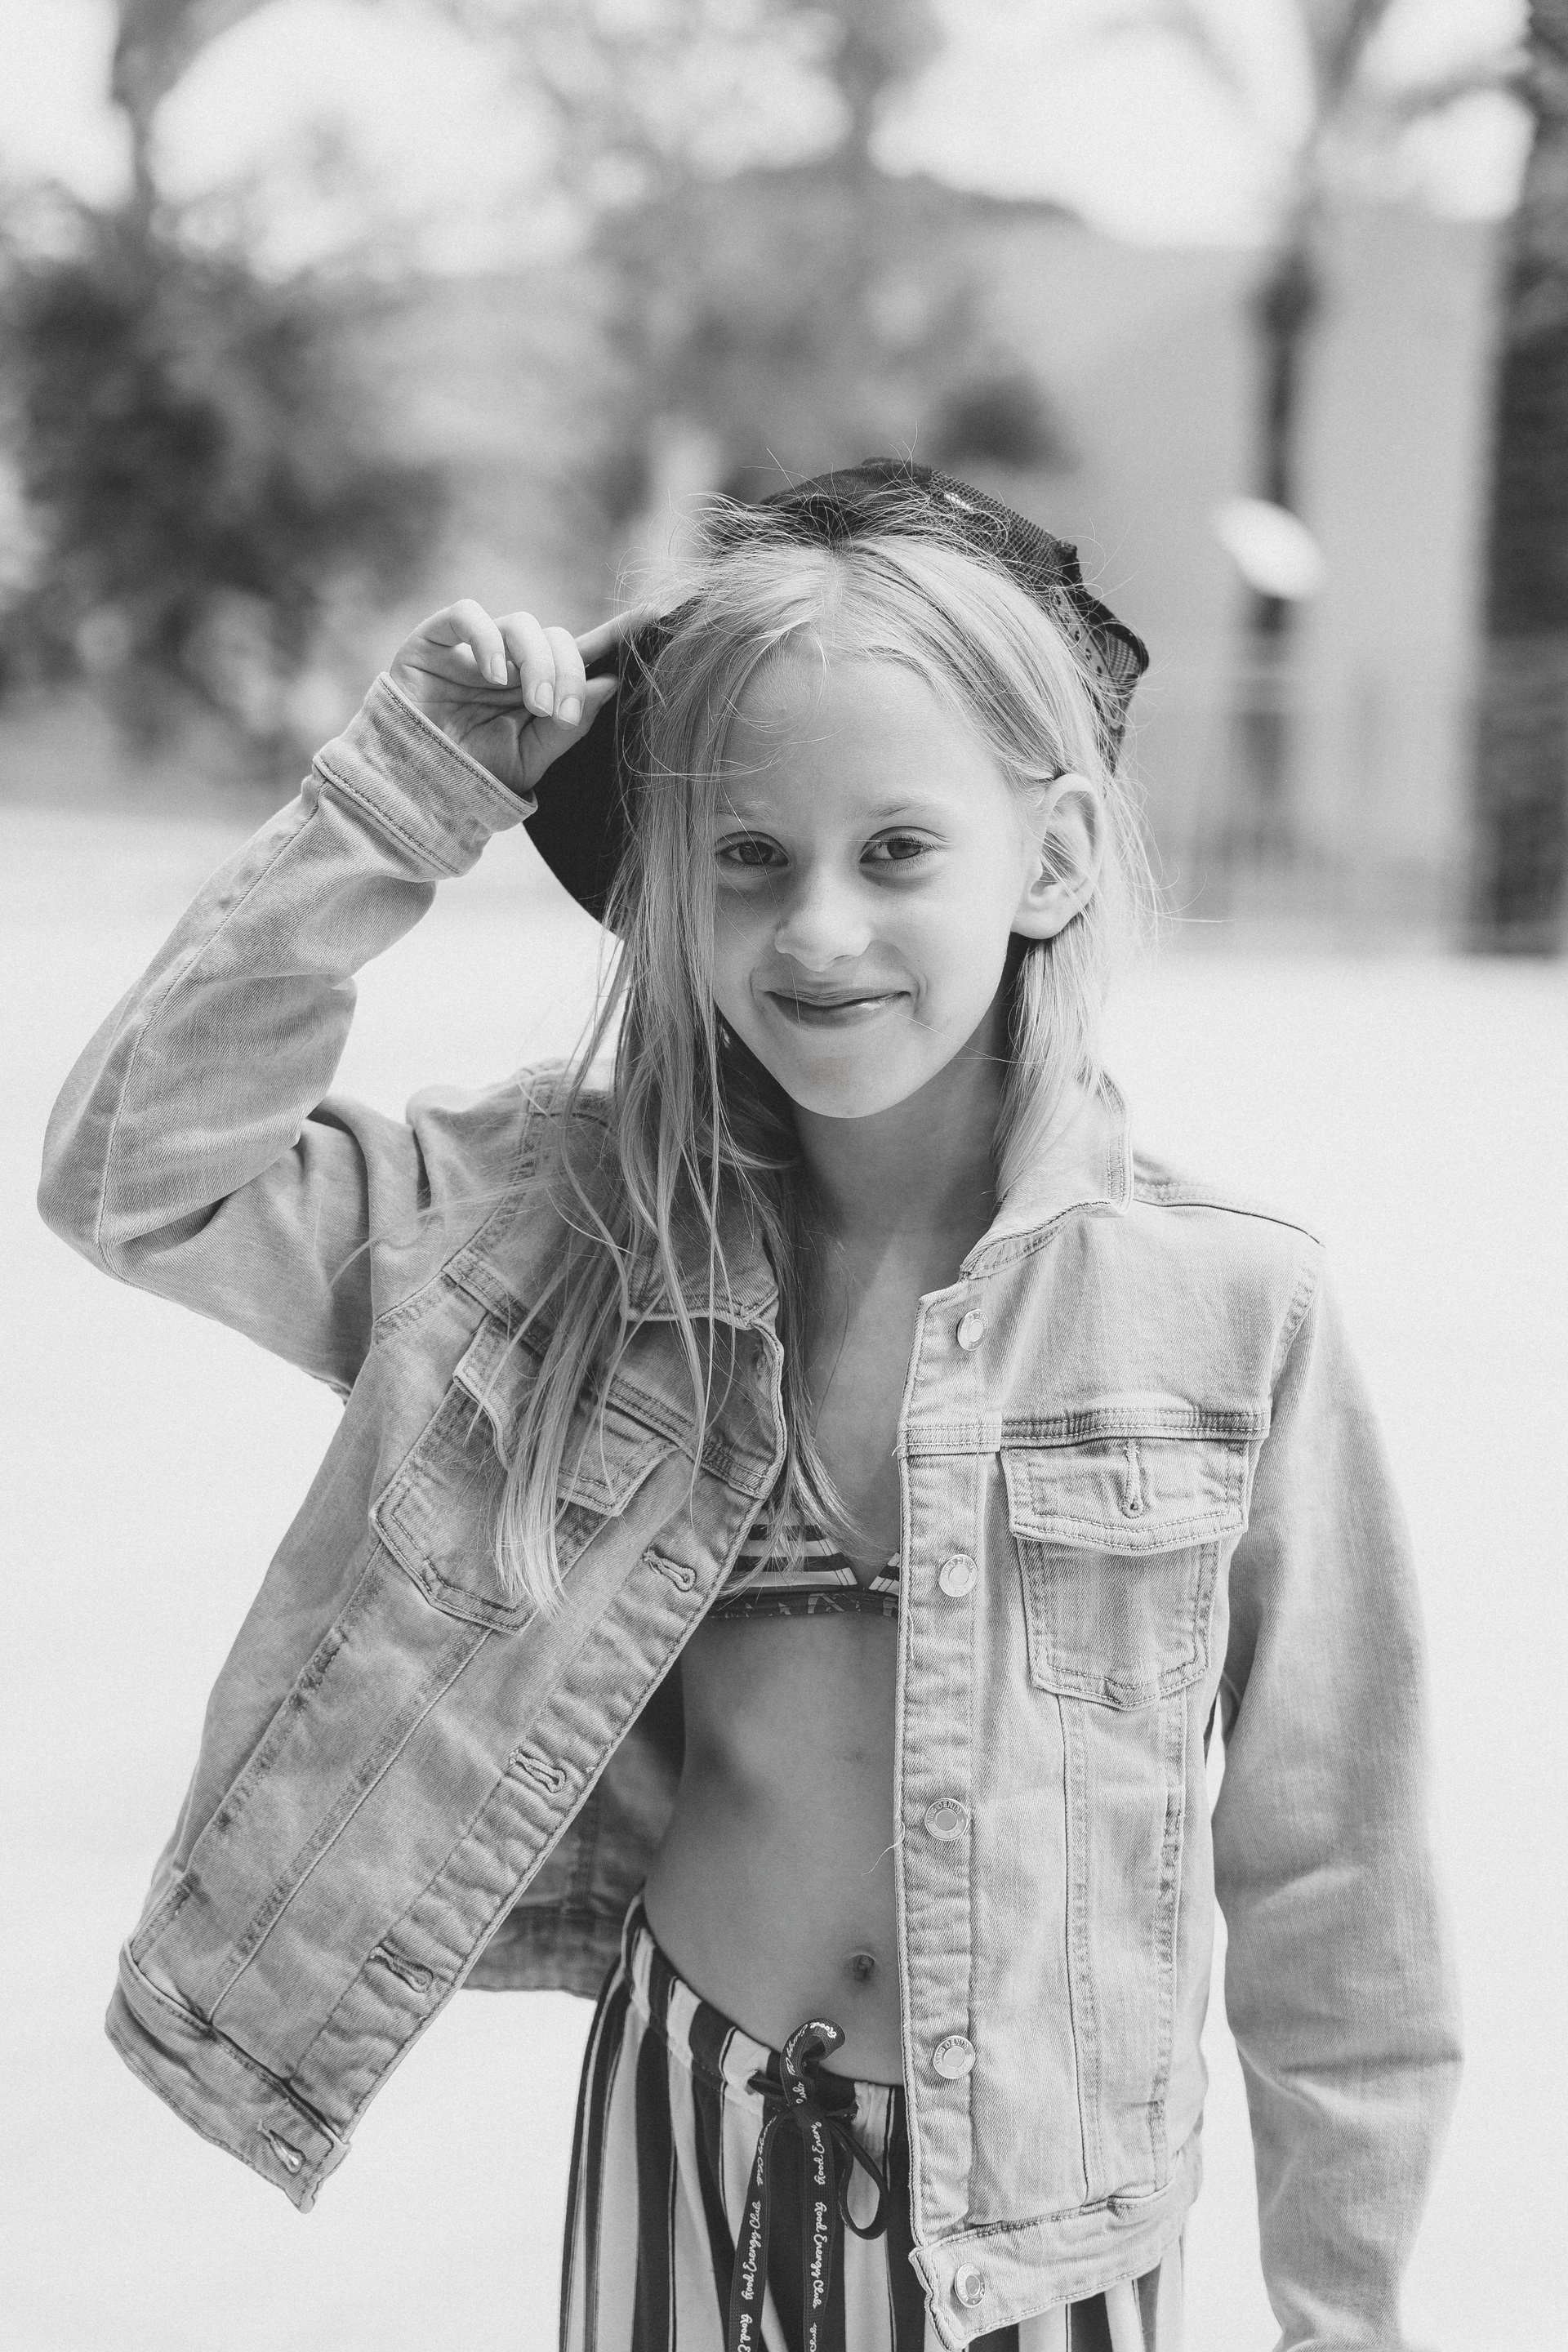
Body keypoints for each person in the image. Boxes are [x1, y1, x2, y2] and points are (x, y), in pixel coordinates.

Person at [38, 461, 1460, 2352]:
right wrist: (406, 795)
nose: (818, 931)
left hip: (1039, 2230)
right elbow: (140, 1180)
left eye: (898, 851)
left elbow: (1336, 1873)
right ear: (667, 884)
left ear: (1049, 860)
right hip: (682, 2125)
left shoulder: (1226, 1308)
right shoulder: (559, 1238)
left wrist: (1345, 2317)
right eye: (750, 856)